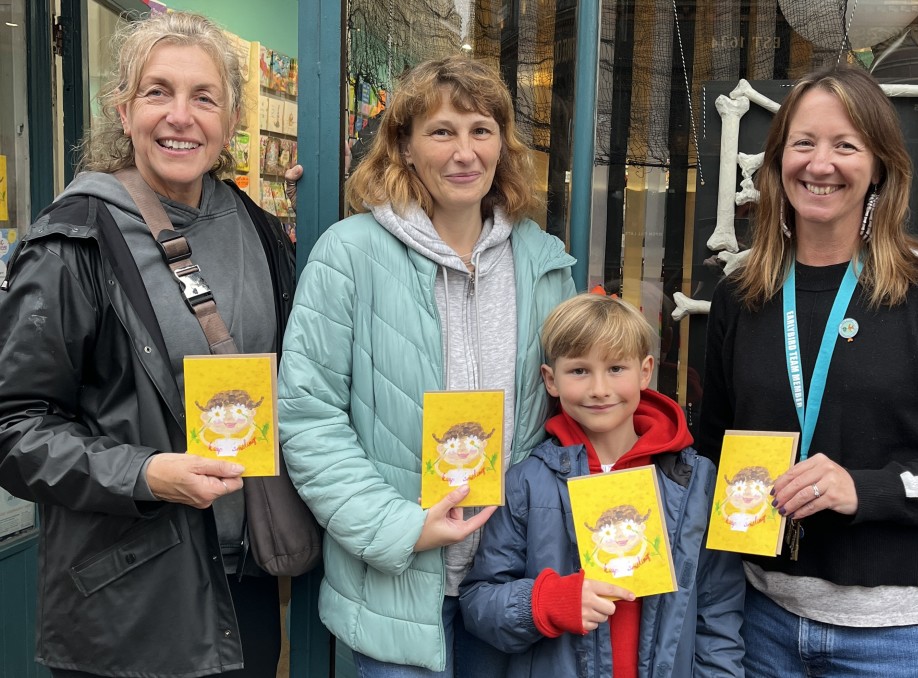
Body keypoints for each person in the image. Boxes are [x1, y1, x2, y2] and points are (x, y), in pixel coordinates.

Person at [698, 64, 918, 678]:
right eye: (803, 143)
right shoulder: (741, 293)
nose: (821, 165)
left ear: (880, 167)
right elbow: (716, 448)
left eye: (846, 145)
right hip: (759, 620)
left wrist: (868, 488)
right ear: (776, 160)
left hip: (902, 635)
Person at [0, 12, 293, 678]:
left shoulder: (260, 229)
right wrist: (145, 474)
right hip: (124, 601)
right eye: (158, 92)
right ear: (124, 111)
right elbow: (14, 429)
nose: (180, 116)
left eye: (204, 97)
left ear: (232, 119)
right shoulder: (72, 242)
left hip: (241, 583)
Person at [276, 55, 576, 676]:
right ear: (405, 148)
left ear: (502, 146)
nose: (464, 152)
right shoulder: (349, 254)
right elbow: (308, 417)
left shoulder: (546, 264)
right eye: (441, 131)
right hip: (398, 585)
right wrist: (399, 528)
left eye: (481, 130)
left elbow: (574, 412)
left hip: (509, 583)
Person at [460, 293, 746, 677]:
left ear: (645, 372)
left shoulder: (696, 482)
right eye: (579, 371)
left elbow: (719, 609)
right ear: (551, 379)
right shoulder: (526, 483)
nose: (599, 388)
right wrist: (549, 602)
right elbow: (480, 603)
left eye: (615, 368)